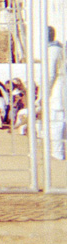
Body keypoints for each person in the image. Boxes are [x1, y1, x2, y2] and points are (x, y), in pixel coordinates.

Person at [46, 26, 67, 159]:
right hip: (60, 87)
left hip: (57, 89)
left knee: (56, 122)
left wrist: (45, 93)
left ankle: (57, 152)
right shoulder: (60, 49)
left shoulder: (53, 50)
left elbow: (50, 74)